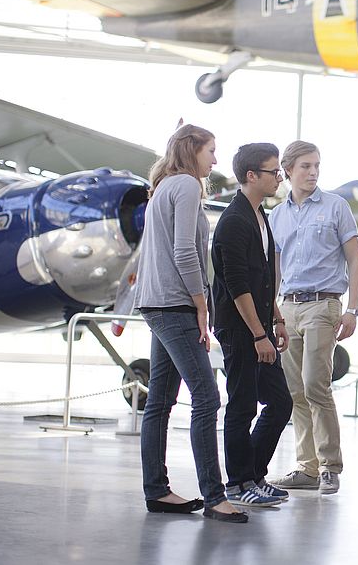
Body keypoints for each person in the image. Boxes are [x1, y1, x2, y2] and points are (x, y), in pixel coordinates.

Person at [134, 124, 247, 524]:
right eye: (211, 151)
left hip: (158, 303)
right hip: (175, 305)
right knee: (207, 397)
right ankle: (215, 497)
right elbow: (185, 252)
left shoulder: (164, 186)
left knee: (160, 403)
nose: (215, 160)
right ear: (192, 150)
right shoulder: (183, 185)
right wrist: (202, 306)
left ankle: (157, 490)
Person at [269, 140, 358, 495]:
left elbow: (355, 261)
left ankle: (330, 466)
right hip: (288, 308)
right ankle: (306, 468)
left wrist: (352, 309)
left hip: (324, 307)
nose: (313, 173)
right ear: (288, 170)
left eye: (317, 166)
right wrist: (272, 310)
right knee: (295, 390)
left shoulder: (337, 207)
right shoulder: (277, 216)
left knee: (314, 385)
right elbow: (275, 269)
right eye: (305, 166)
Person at [211, 143, 294, 507]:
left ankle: (253, 475)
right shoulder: (234, 221)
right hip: (241, 328)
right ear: (251, 176)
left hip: (260, 325)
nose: (280, 177)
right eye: (274, 172)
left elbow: (262, 280)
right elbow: (236, 284)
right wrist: (258, 333)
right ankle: (238, 483)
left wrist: (275, 317)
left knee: (279, 402)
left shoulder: (260, 215)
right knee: (242, 405)